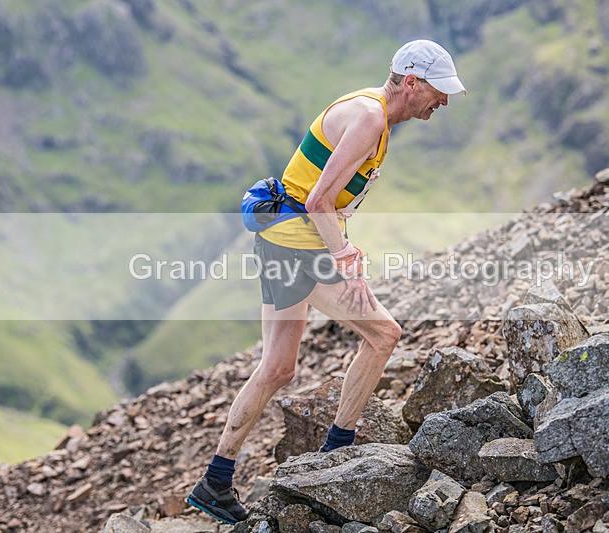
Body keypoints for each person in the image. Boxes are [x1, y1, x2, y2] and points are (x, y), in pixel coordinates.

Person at [187, 39, 466, 524]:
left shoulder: (369, 111)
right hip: (299, 243)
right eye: (439, 91)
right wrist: (343, 256)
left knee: (277, 368)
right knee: (384, 335)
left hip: (280, 237)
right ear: (413, 82)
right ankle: (337, 457)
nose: (442, 101)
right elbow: (319, 200)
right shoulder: (370, 118)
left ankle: (214, 481)